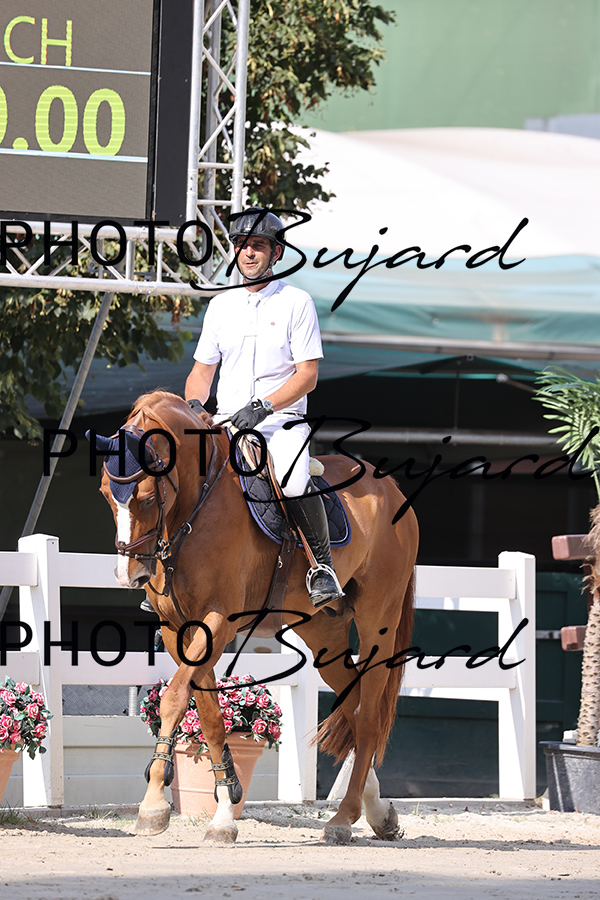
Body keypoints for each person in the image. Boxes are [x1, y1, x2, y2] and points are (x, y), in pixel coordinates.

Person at [185, 207, 344, 608]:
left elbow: (308, 375)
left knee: (291, 480)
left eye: (258, 245)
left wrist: (264, 406)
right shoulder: (220, 306)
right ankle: (167, 569)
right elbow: (202, 372)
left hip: (280, 421)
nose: (248, 252)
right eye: (241, 245)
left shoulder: (296, 302)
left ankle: (321, 567)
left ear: (276, 253)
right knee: (182, 474)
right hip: (225, 421)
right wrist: (193, 406)